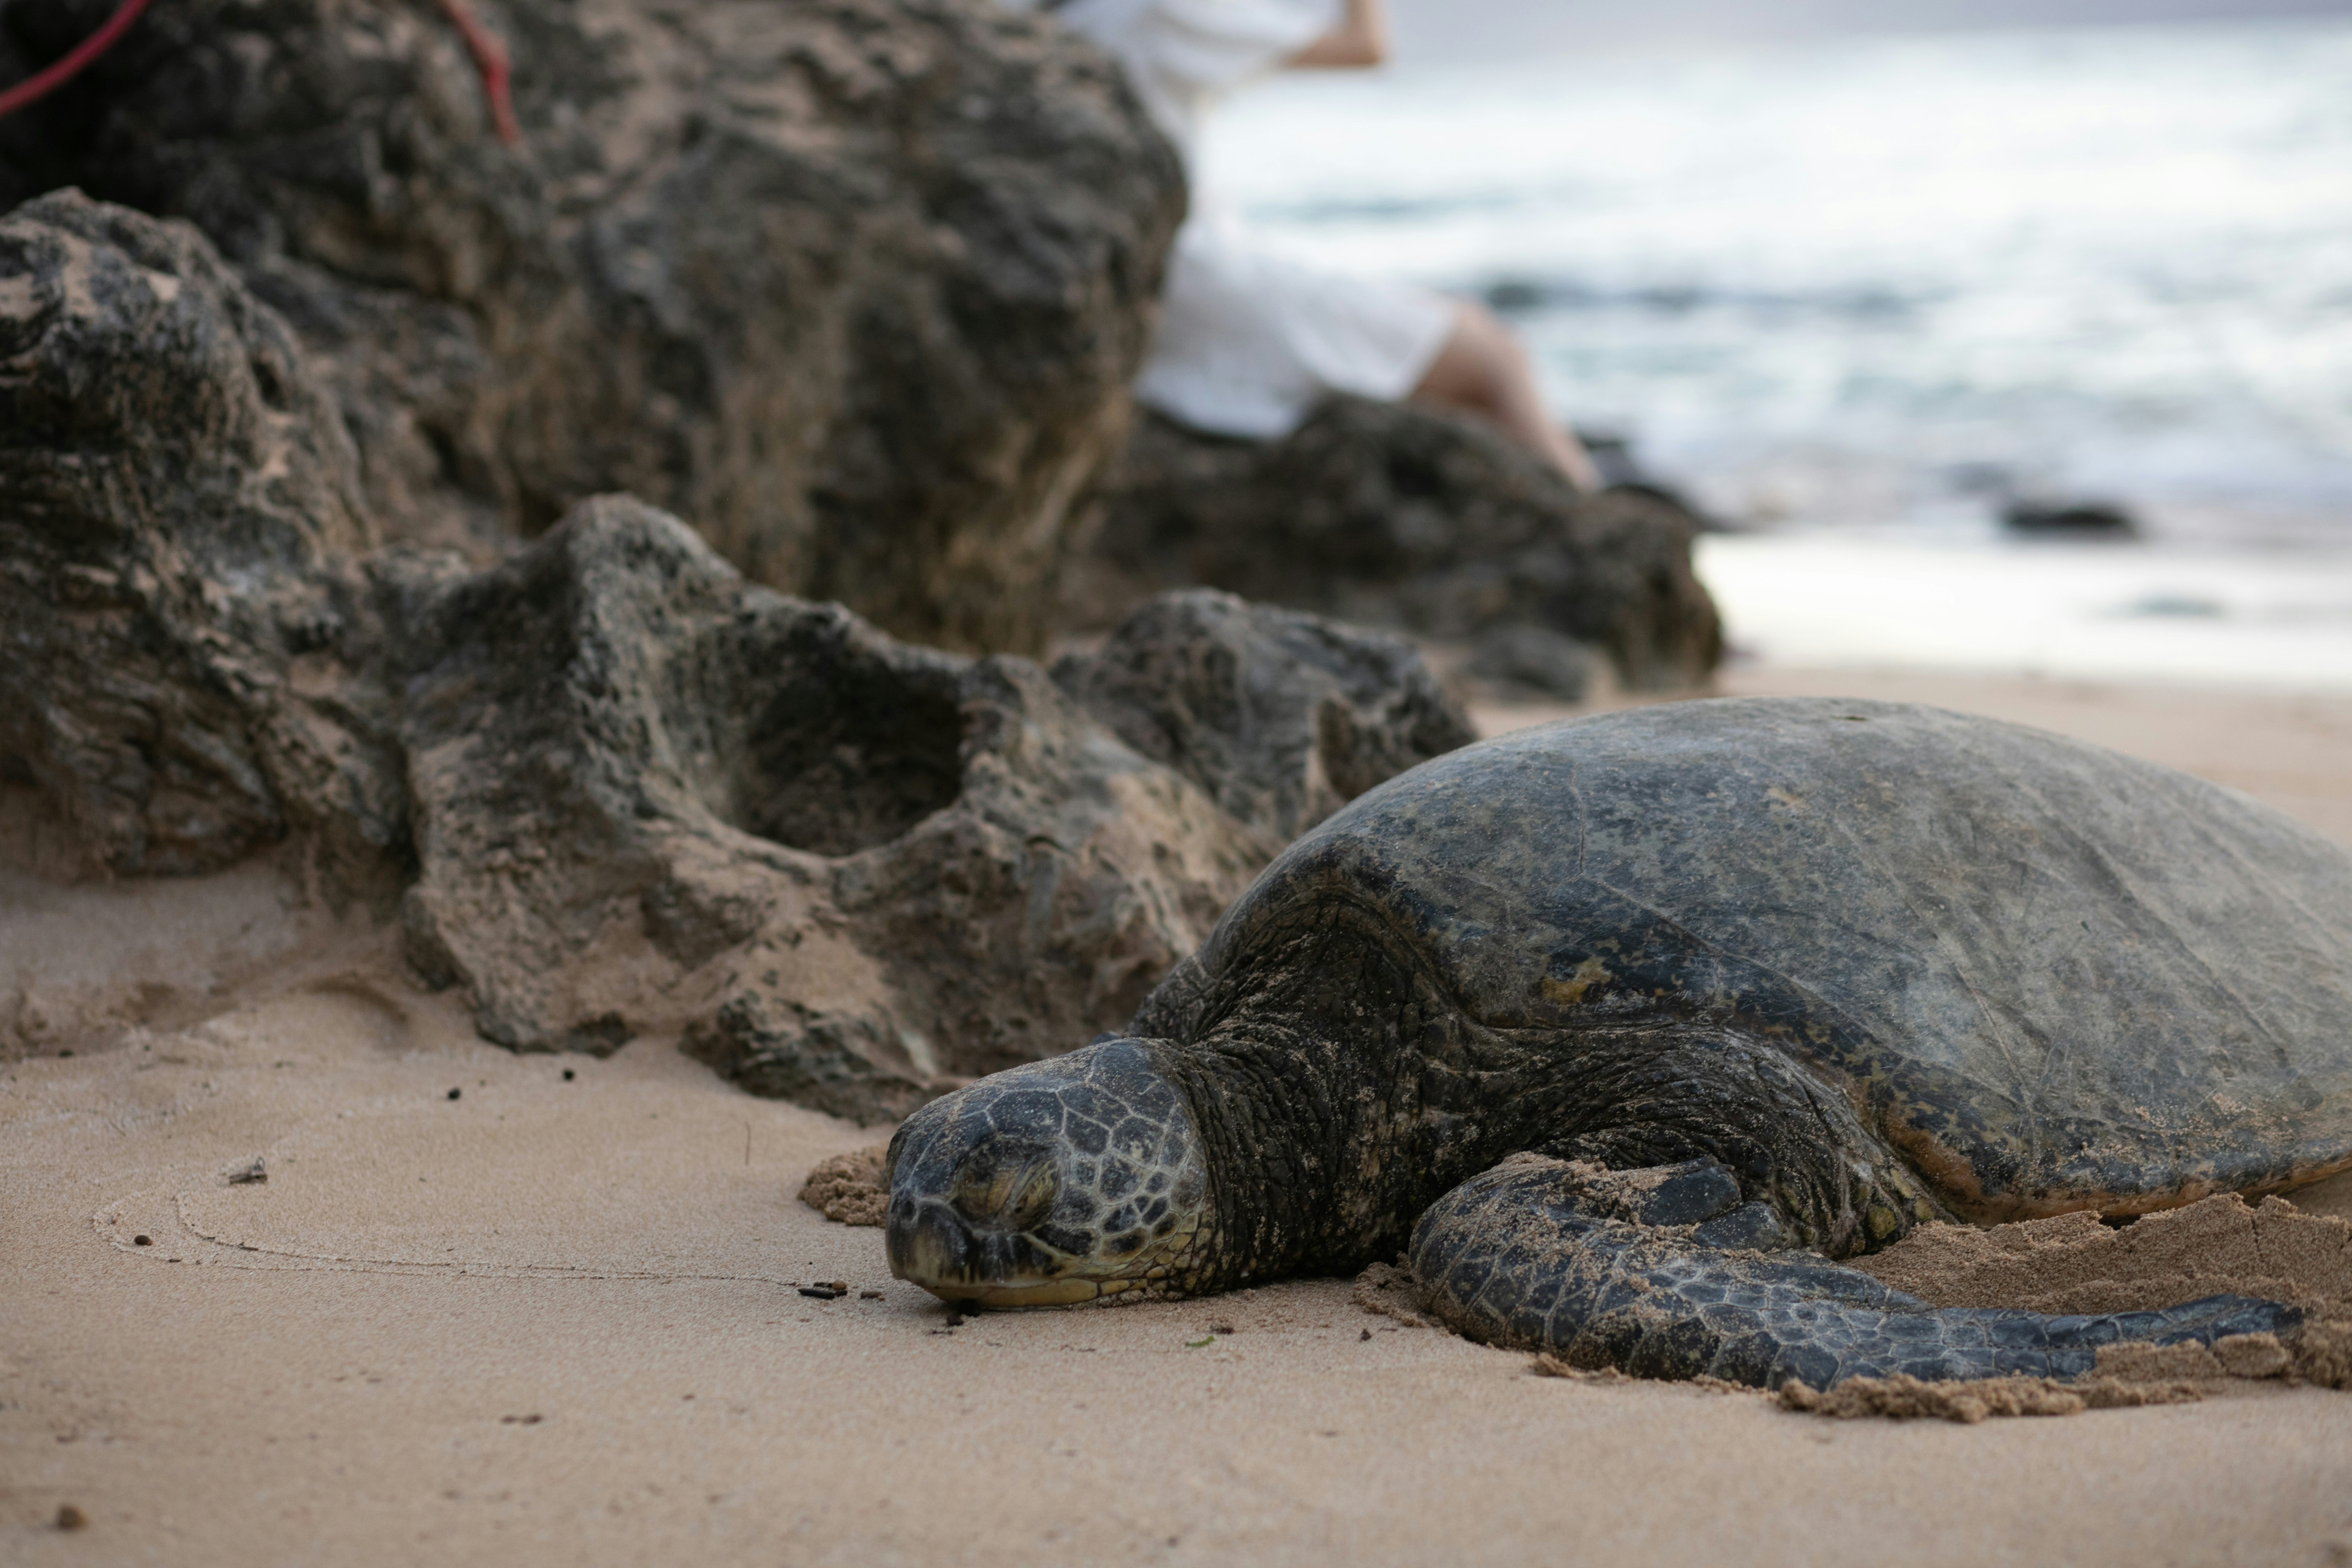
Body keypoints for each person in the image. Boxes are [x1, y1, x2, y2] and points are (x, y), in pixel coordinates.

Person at [1026, 0, 1602, 491]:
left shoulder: (1063, 18)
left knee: (1468, 379)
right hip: (1193, 276)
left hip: (1134, 274)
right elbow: (1364, 46)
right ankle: (1600, 541)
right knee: (1495, 359)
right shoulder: (1163, 10)